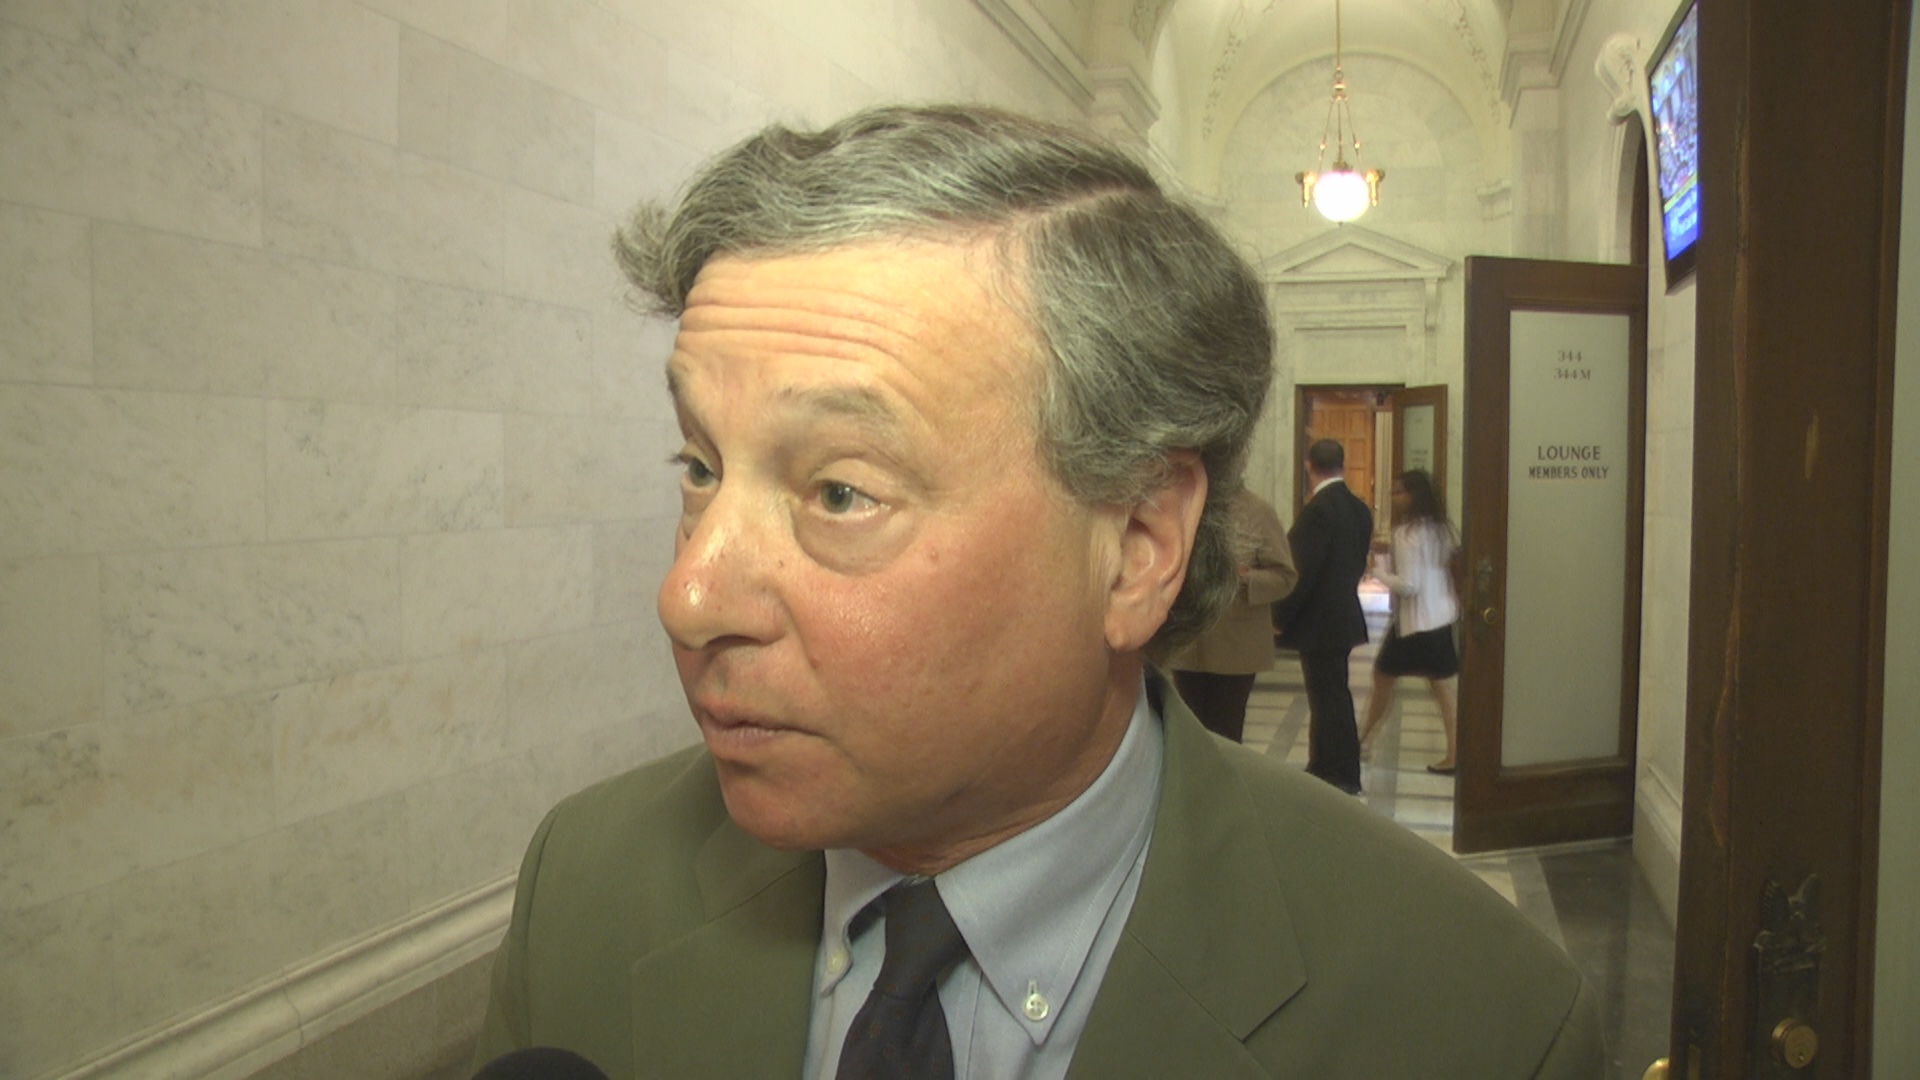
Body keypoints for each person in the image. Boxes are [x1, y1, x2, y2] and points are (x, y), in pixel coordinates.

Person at [474, 104, 1602, 1079]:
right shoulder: (584, 886)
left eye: (840, 492)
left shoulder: (1476, 1019)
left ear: (1137, 546)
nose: (687, 597)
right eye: (699, 466)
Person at [1270, 439, 1374, 795]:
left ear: (1309, 466)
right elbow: (1356, 563)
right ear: (1342, 464)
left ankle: (1337, 771)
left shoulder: (1317, 511)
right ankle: (1327, 764)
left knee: (1327, 698)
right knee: (1333, 694)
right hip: (1344, 614)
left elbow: (1301, 571)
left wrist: (1280, 614)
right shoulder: (1359, 509)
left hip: (1320, 621)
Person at [1168, 489, 1297, 742]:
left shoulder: (1257, 511)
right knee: (1189, 732)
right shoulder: (1181, 504)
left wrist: (1245, 579)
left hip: (1236, 647)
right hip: (1187, 643)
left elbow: (1285, 577)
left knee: (1226, 731)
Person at [1359, 469, 1463, 773]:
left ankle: (1361, 741)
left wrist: (1375, 572)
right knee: (1444, 691)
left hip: (1414, 624)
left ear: (1414, 495)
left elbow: (1409, 585)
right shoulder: (1443, 529)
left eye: (1398, 492)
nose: (1393, 498)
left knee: (1383, 679)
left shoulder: (1406, 534)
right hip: (1440, 618)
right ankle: (1455, 753)